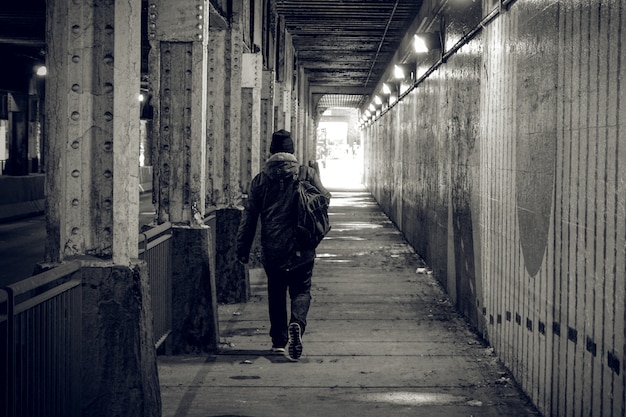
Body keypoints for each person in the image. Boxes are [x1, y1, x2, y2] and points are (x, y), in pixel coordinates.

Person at [236, 129, 331, 361]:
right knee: (302, 289)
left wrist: (242, 249)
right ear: (292, 150)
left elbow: (249, 218)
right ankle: (297, 323)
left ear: (270, 151)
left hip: (274, 247)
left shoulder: (260, 180)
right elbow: (325, 198)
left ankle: (279, 342)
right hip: (303, 244)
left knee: (276, 292)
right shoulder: (306, 174)